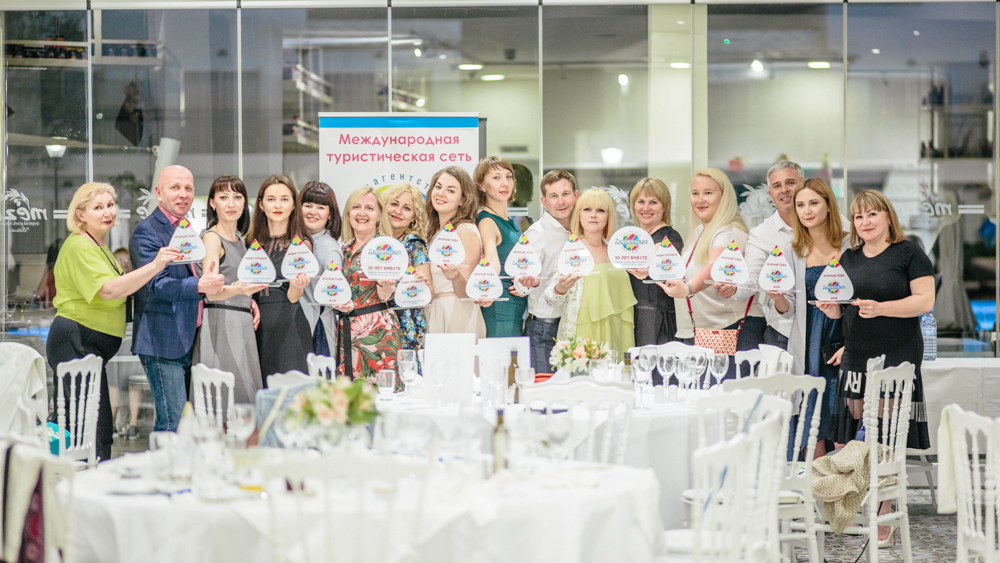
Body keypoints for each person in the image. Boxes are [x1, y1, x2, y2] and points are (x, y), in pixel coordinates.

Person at [818, 190, 934, 544]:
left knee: (883, 440)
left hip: (896, 358)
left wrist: (881, 308)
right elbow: (843, 308)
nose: (865, 222)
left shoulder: (909, 253)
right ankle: (852, 509)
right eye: (858, 216)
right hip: (856, 356)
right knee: (849, 440)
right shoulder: (848, 258)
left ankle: (885, 512)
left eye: (872, 214)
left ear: (887, 217)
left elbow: (924, 302)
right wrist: (831, 309)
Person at [49, 182, 182, 460]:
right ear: (80, 214)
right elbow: (109, 290)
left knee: (95, 427)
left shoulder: (99, 245)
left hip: (90, 346)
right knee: (89, 430)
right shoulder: (79, 245)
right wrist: (155, 266)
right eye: (98, 207)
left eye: (110, 205)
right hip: (76, 339)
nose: (107, 212)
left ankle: (88, 478)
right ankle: (84, 483)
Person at [131, 165, 225, 432]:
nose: (183, 194)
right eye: (175, 188)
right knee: (174, 424)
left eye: (188, 188)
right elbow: (156, 285)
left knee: (184, 425)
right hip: (162, 341)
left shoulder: (185, 229)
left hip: (188, 339)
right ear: (159, 193)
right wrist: (199, 284)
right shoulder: (148, 231)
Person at [657, 168, 766, 380]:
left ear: (724, 197)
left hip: (730, 331)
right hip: (702, 333)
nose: (700, 199)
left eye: (708, 193)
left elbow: (716, 264)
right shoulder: (701, 232)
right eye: (695, 193)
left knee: (726, 399)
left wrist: (688, 288)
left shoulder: (728, 230)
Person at [769, 179, 849, 458]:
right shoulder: (791, 250)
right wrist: (778, 298)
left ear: (829, 206)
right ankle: (815, 482)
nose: (807, 211)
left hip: (845, 332)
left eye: (814, 203)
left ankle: (845, 479)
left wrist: (851, 341)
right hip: (810, 339)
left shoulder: (851, 245)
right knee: (812, 411)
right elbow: (788, 308)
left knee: (843, 411)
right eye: (800, 205)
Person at [195, 175, 267, 404]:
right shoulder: (212, 238)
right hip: (220, 322)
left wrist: (249, 299)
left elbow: (236, 282)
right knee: (222, 400)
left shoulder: (241, 241)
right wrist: (238, 291)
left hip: (241, 323)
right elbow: (210, 290)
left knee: (243, 399)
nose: (231, 203)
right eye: (223, 197)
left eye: (237, 197)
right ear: (212, 203)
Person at [543, 189, 636, 361]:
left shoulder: (618, 252)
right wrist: (560, 288)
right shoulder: (572, 250)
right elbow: (550, 298)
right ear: (578, 214)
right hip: (584, 335)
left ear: (608, 216)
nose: (593, 215)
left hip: (618, 330)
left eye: (600, 210)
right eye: (587, 209)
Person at [731, 161, 804, 349]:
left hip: (826, 328)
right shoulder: (762, 234)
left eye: (790, 183)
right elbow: (751, 280)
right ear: (770, 195)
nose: (784, 190)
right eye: (777, 186)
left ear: (804, 186)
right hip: (783, 331)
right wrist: (732, 288)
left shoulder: (831, 226)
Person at [512, 170, 579, 373]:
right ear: (544, 201)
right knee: (545, 389)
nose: (561, 201)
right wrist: (526, 283)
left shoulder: (582, 229)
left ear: (576, 195)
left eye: (565, 194)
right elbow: (519, 282)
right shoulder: (536, 233)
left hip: (575, 326)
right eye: (553, 196)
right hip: (545, 329)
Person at [248, 175, 314, 381]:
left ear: (294, 204)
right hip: (254, 326)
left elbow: (294, 296)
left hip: (289, 326)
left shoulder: (301, 244)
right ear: (261, 204)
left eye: (284, 199)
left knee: (291, 393)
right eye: (271, 199)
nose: (278, 205)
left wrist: (297, 285)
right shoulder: (249, 242)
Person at [336, 186, 402, 383]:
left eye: (369, 208)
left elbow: (386, 295)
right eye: (356, 207)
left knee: (383, 395)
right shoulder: (342, 250)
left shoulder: (387, 248)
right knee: (350, 397)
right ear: (348, 213)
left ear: (379, 215)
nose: (362, 213)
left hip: (378, 335)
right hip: (345, 332)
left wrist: (386, 286)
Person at [424, 167, 487, 337]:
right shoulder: (435, 232)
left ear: (463, 199)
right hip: (435, 312)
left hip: (458, 315)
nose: (441, 193)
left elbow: (466, 292)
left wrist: (456, 276)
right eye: (438, 187)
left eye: (450, 190)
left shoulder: (465, 231)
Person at [625, 178, 684, 352]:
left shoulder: (670, 237)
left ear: (664, 206)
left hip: (656, 321)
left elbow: (653, 258)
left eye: (653, 202)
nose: (646, 208)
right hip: (632, 316)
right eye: (641, 202)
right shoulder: (633, 238)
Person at [475, 156, 527, 337]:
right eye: (496, 177)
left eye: (508, 176)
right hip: (499, 306)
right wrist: (487, 288)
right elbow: (491, 259)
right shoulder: (487, 220)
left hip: (515, 304)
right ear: (482, 185)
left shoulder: (509, 222)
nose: (505, 182)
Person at [383, 182, 433, 351]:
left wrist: (420, 285)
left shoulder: (414, 245)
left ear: (414, 217)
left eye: (406, 208)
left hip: (405, 323)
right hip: (376, 319)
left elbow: (429, 294)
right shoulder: (374, 243)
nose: (398, 211)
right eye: (394, 204)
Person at [298, 180, 343, 357]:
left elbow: (335, 291)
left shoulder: (328, 247)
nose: (313, 212)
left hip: (317, 328)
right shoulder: (297, 241)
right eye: (308, 205)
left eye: (321, 207)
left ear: (330, 214)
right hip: (301, 323)